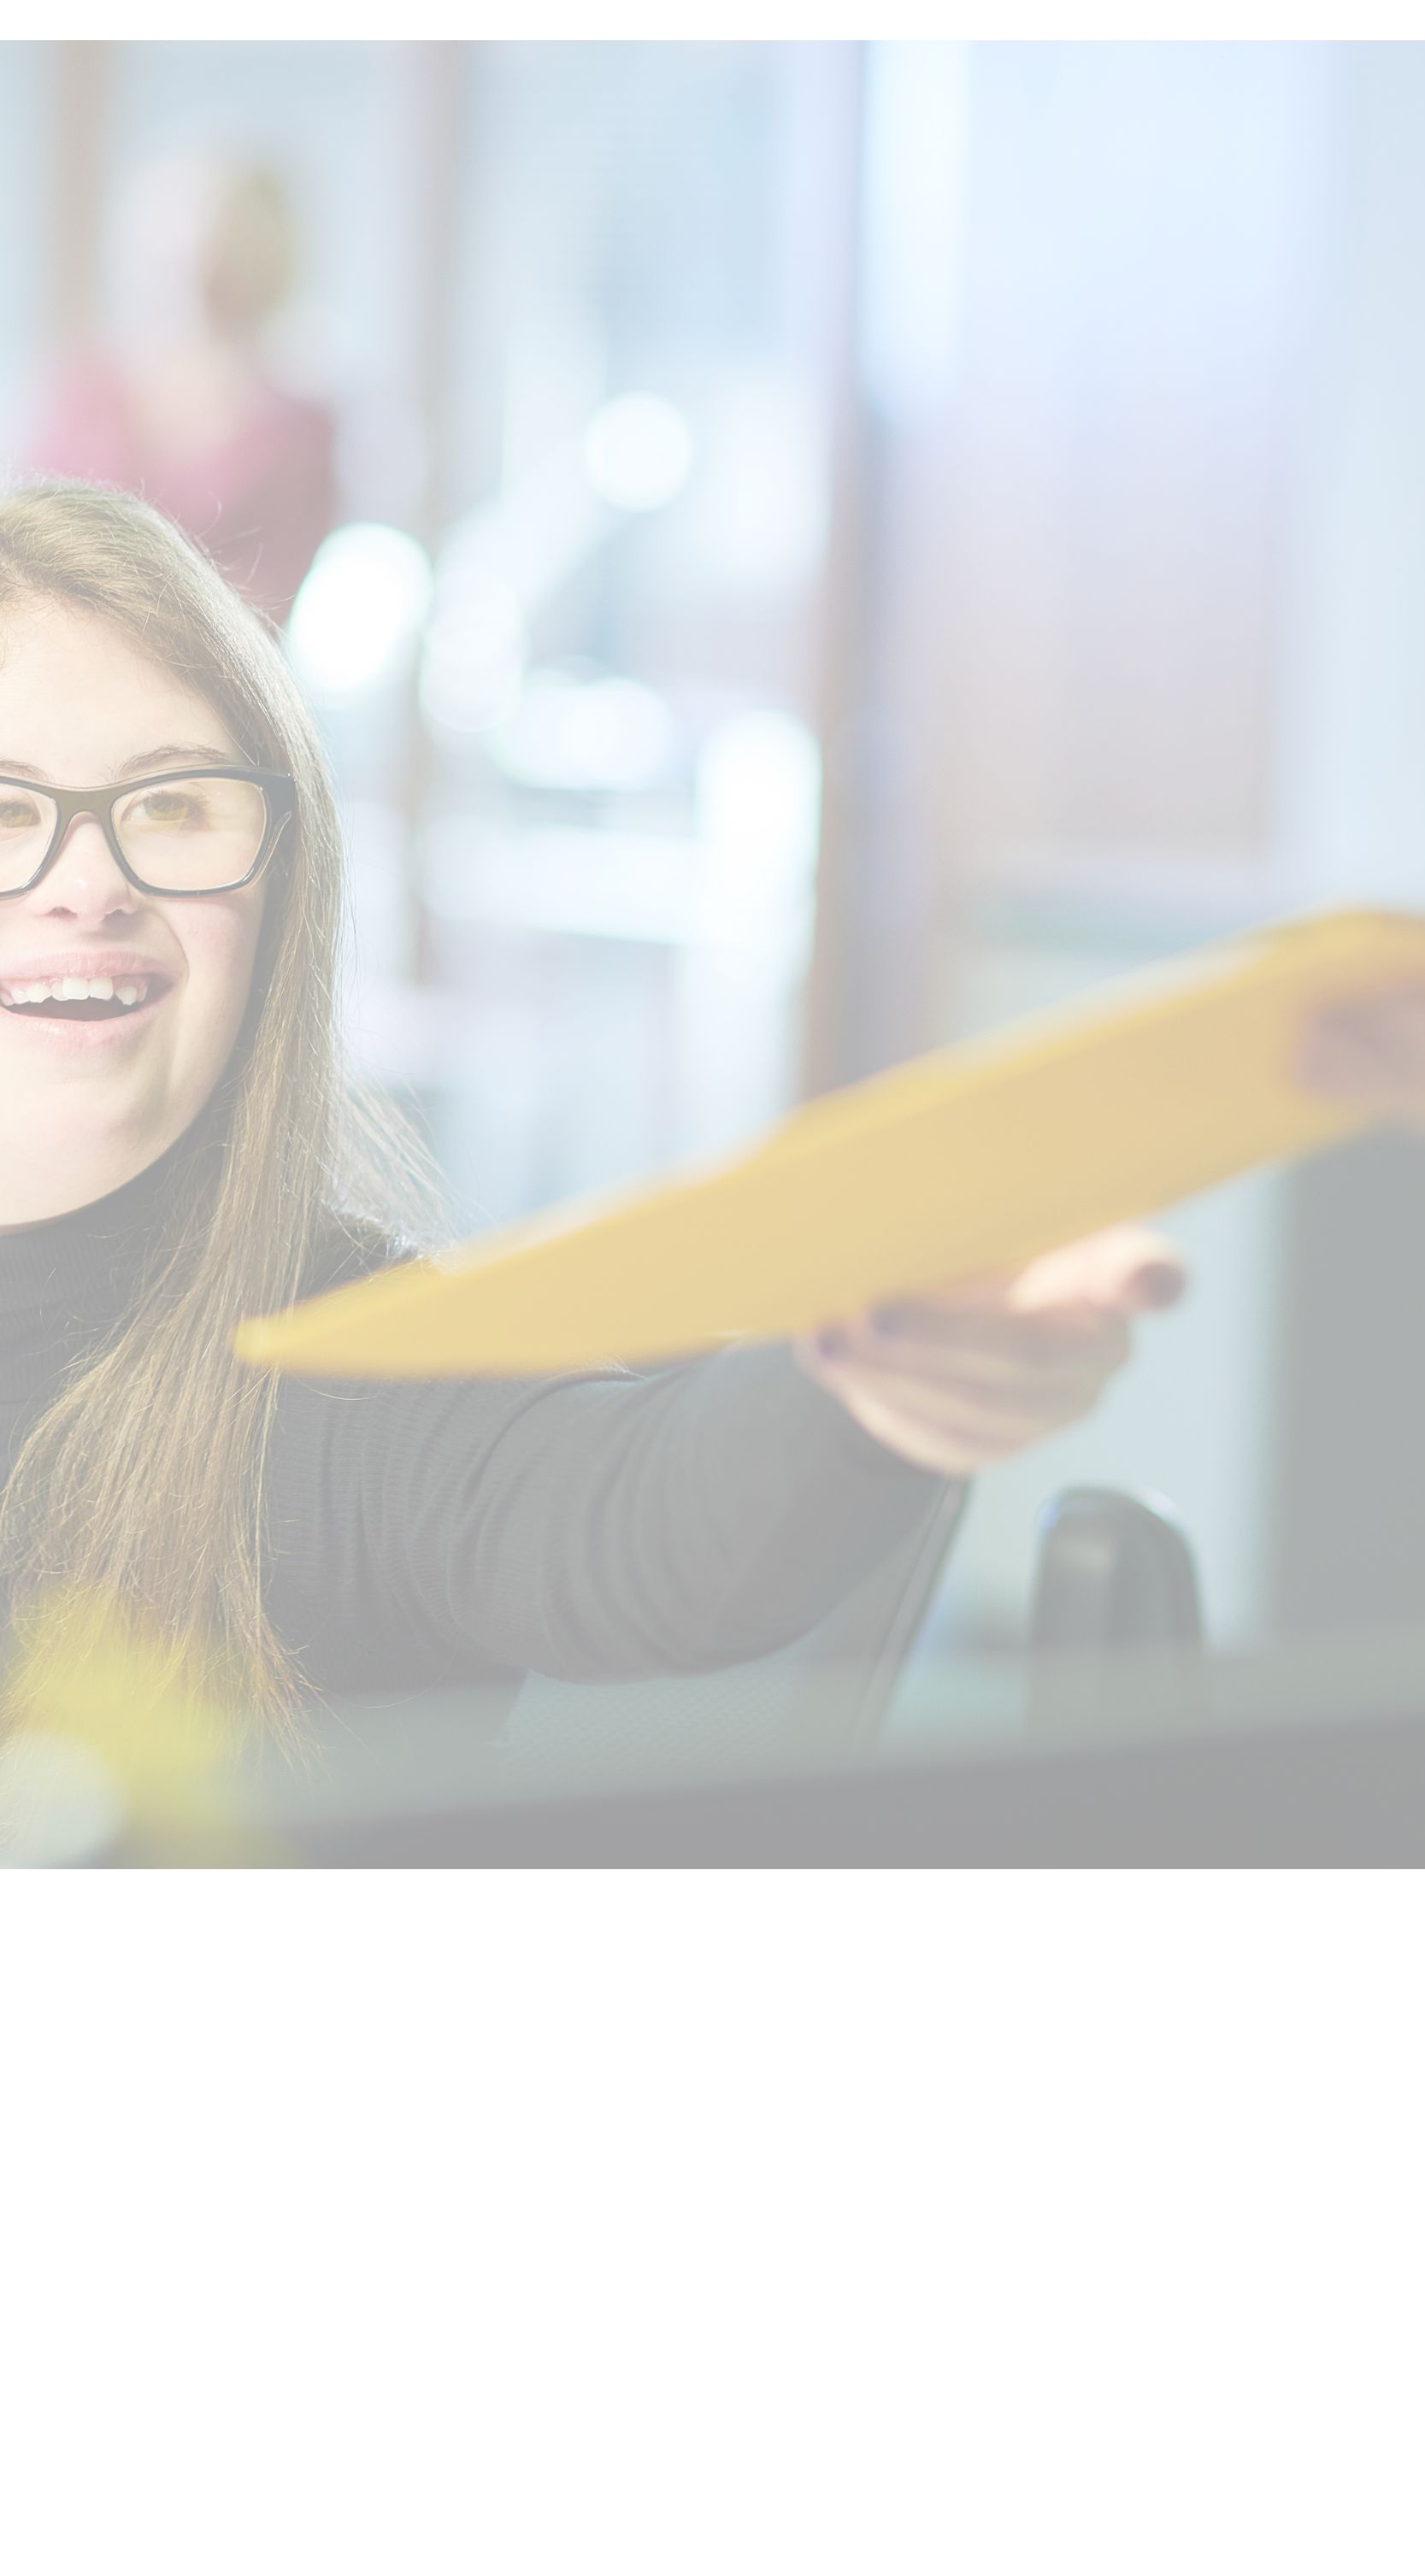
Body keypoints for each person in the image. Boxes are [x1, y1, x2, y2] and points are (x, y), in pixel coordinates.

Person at [0, 481, 1175, 1711]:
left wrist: (870, 1372)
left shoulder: (356, 1380)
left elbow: (651, 1528)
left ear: (282, 894)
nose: (89, 882)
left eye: (176, 804)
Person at [25, 151, 346, 632]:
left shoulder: (298, 434)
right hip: (54, 657)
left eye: (223, 250)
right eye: (182, 247)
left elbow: (263, 608)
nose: (200, 270)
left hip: (200, 688)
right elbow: (26, 546)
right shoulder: (89, 395)